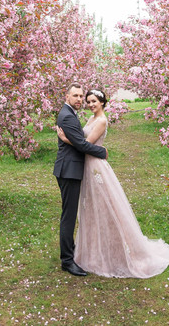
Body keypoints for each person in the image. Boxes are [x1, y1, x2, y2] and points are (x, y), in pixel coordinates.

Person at [56, 88, 169, 278]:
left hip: (94, 167)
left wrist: (68, 140)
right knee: (84, 210)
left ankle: (107, 249)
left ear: (102, 102)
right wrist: (73, 142)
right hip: (81, 166)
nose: (89, 103)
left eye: (93, 100)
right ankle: (76, 255)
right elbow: (82, 142)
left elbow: (84, 143)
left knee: (103, 207)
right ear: (67, 96)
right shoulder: (80, 116)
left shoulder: (100, 119)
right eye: (87, 100)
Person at [53, 83, 108, 276]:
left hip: (71, 168)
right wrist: (102, 151)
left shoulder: (69, 113)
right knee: (68, 217)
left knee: (70, 215)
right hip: (69, 171)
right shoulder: (67, 116)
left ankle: (71, 252)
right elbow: (81, 144)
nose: (79, 99)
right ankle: (67, 261)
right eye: (75, 95)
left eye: (80, 96)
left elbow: (77, 141)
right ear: (66, 96)